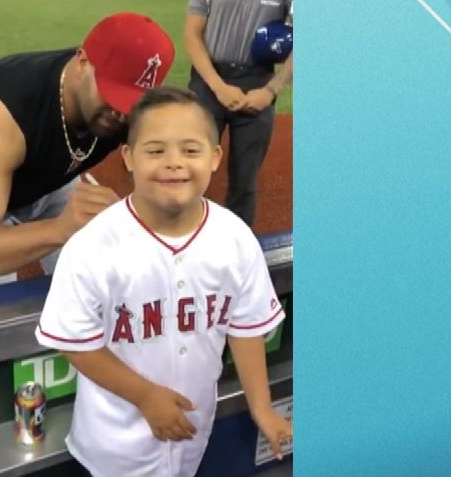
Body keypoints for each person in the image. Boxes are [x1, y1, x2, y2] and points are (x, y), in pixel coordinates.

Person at [35, 86, 292, 476]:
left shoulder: (235, 238)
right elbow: (74, 342)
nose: (174, 163)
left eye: (190, 150)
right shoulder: (92, 245)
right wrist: (145, 396)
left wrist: (262, 409)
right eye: (155, 150)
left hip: (192, 433)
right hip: (114, 443)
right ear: (128, 158)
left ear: (215, 157)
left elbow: (244, 328)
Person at [0, 13, 175, 293]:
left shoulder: (127, 113)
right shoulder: (3, 114)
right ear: (82, 62)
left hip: (54, 179)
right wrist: (59, 229)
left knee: (99, 278)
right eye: (113, 95)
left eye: (133, 101)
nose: (122, 112)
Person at [184, 0, 293, 227]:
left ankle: (239, 246)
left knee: (245, 179)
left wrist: (271, 90)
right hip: (208, 79)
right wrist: (218, 86)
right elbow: (192, 35)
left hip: (258, 83)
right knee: (188, 168)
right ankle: (180, 239)